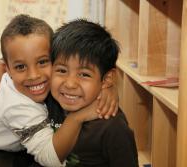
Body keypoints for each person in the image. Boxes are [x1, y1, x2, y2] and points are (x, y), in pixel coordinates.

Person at [0, 15, 108, 167]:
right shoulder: (16, 104)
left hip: (6, 142)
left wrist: (107, 87)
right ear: (8, 70)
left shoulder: (18, 75)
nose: (34, 75)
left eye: (43, 62)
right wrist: (77, 117)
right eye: (20, 67)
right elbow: (50, 159)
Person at [49, 19, 139, 167]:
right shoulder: (48, 101)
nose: (70, 84)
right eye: (62, 71)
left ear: (107, 79)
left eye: (84, 74)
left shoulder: (113, 127)